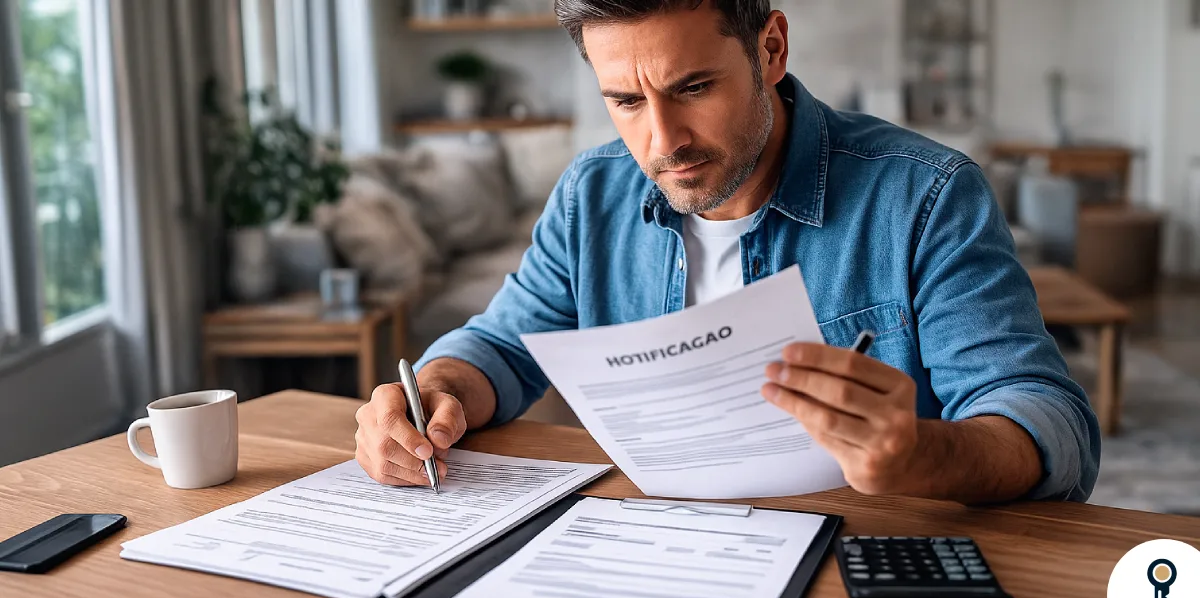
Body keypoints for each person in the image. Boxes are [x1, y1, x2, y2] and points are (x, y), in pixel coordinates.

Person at [354, 0, 1100, 504]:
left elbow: (1051, 427)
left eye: (693, 87)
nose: (662, 140)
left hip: (864, 555)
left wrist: (918, 457)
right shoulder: (591, 194)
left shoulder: (926, 197)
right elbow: (498, 350)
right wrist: (433, 393)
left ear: (770, 48)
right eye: (625, 101)